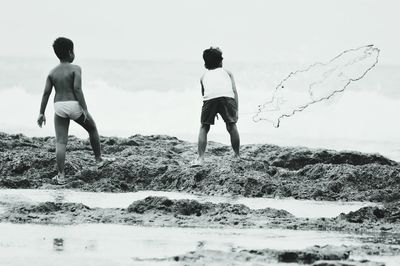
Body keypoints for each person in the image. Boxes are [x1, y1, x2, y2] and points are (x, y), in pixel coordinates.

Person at [37, 37, 106, 184]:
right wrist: (85, 109)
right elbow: (77, 89)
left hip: (59, 106)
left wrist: (41, 113)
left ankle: (61, 175)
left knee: (61, 142)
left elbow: (46, 93)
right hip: (74, 104)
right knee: (92, 129)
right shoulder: (76, 68)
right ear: (70, 52)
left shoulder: (52, 72)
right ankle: (99, 159)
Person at [195, 47, 240, 165]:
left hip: (209, 100)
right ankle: (236, 155)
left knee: (204, 127)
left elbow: (204, 95)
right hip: (227, 98)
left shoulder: (203, 77)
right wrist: (236, 110)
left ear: (205, 63)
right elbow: (234, 91)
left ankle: (200, 158)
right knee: (231, 126)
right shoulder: (227, 72)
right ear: (220, 61)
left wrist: (213, 110)